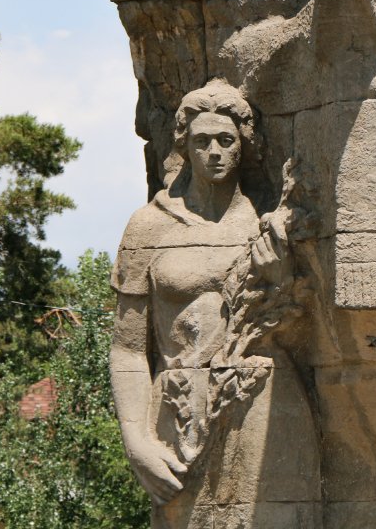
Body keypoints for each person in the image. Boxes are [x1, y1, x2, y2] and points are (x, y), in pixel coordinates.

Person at [109, 79, 320, 528]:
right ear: (184, 146)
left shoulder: (270, 223)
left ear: (244, 145)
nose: (215, 153)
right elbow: (127, 349)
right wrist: (135, 441)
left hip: (267, 402)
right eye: (202, 141)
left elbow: (313, 330)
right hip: (178, 413)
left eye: (227, 140)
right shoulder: (148, 227)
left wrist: (281, 276)